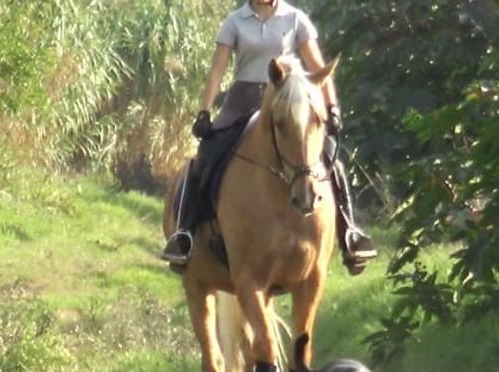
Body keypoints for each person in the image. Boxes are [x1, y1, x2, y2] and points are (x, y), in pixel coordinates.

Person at [161, 0, 377, 275]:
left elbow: (317, 67)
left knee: (331, 156)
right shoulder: (235, 21)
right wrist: (205, 111)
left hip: (287, 98)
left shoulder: (296, 18)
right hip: (243, 99)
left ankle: (349, 233)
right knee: (206, 155)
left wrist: (331, 107)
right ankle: (185, 233)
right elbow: (218, 68)